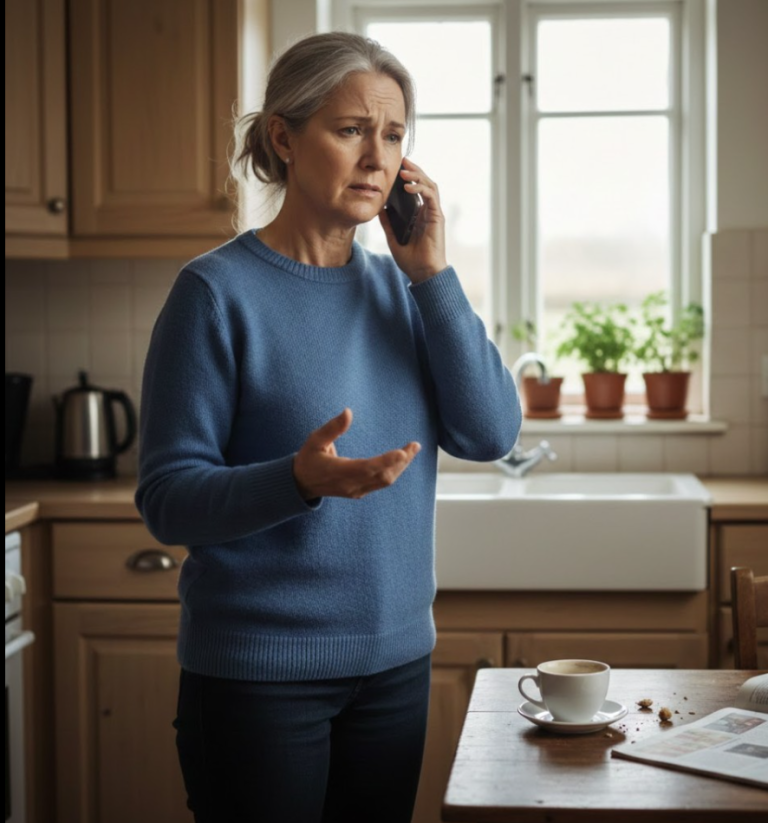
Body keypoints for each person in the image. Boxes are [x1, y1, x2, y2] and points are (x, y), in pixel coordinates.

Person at [135, 31, 521, 823]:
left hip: (394, 668)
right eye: (351, 130)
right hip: (255, 678)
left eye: (393, 134)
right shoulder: (214, 294)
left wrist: (433, 277)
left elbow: (490, 432)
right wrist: (298, 479)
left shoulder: (405, 292)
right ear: (284, 136)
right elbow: (168, 499)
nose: (377, 158)